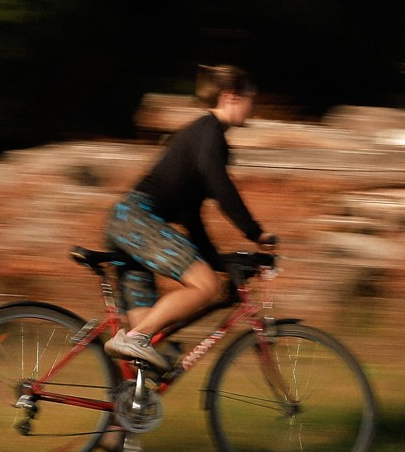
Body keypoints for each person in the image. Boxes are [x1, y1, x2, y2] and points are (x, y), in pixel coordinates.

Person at [104, 64, 276, 367]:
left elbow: (190, 216)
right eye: (252, 97)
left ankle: (131, 391)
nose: (254, 105)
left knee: (149, 349)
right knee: (205, 287)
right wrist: (255, 232)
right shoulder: (209, 133)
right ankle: (134, 338)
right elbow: (220, 185)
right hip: (136, 220)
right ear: (230, 96)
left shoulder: (204, 136)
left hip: (126, 223)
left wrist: (220, 262)